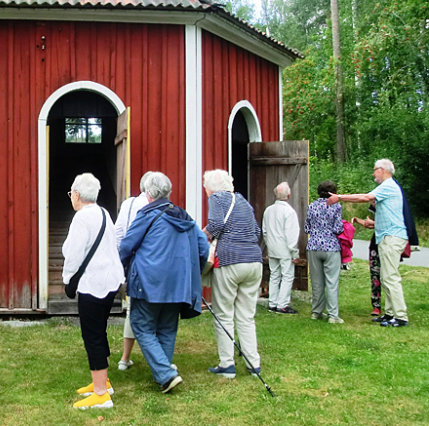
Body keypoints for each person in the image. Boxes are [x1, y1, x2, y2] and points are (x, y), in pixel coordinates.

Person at [119, 172, 209, 394]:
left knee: (141, 324)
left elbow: (126, 245)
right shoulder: (185, 217)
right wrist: (190, 270)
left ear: (148, 193)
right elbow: (203, 247)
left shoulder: (146, 214)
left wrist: (120, 269)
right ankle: (164, 374)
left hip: (148, 282)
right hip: (178, 284)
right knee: (167, 328)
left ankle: (166, 374)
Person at [62, 173, 125, 410]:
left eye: (71, 194)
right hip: (110, 281)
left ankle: (101, 394)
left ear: (77, 195)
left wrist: (68, 279)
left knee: (92, 335)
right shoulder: (103, 212)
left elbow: (74, 253)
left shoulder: (81, 218)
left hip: (93, 284)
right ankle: (103, 381)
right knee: (99, 330)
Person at [327, 159, 412, 327]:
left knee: (391, 277)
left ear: (383, 170)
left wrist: (341, 197)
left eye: (375, 170)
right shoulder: (389, 187)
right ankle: (389, 313)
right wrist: (372, 224)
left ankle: (401, 316)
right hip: (386, 235)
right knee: (386, 276)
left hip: (392, 237)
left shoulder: (388, 185)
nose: (373, 174)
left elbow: (365, 197)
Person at [203, 169, 262, 379]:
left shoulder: (217, 198)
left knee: (224, 314)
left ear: (211, 187)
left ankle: (227, 365)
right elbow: (257, 232)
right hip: (254, 261)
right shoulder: (242, 201)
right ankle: (253, 364)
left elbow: (217, 225)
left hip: (229, 261)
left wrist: (202, 236)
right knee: (246, 315)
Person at [114, 171, 153, 371]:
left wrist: (124, 260)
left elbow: (119, 233)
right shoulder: (156, 207)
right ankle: (157, 358)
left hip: (133, 264)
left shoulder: (128, 204)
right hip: (152, 264)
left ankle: (125, 358)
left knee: (132, 310)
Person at [304, 180, 345, 324]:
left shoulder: (312, 206)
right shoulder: (336, 206)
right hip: (331, 247)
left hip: (314, 246)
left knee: (316, 282)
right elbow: (338, 228)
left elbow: (307, 228)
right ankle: (333, 315)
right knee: (332, 282)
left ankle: (316, 312)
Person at [261, 182, 300, 314]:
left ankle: (272, 303)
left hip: (272, 247)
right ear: (289, 195)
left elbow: (265, 231)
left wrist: (268, 245)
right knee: (287, 275)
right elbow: (291, 235)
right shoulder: (289, 212)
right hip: (285, 249)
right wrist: (294, 253)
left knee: (274, 275)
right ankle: (282, 304)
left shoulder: (268, 210)